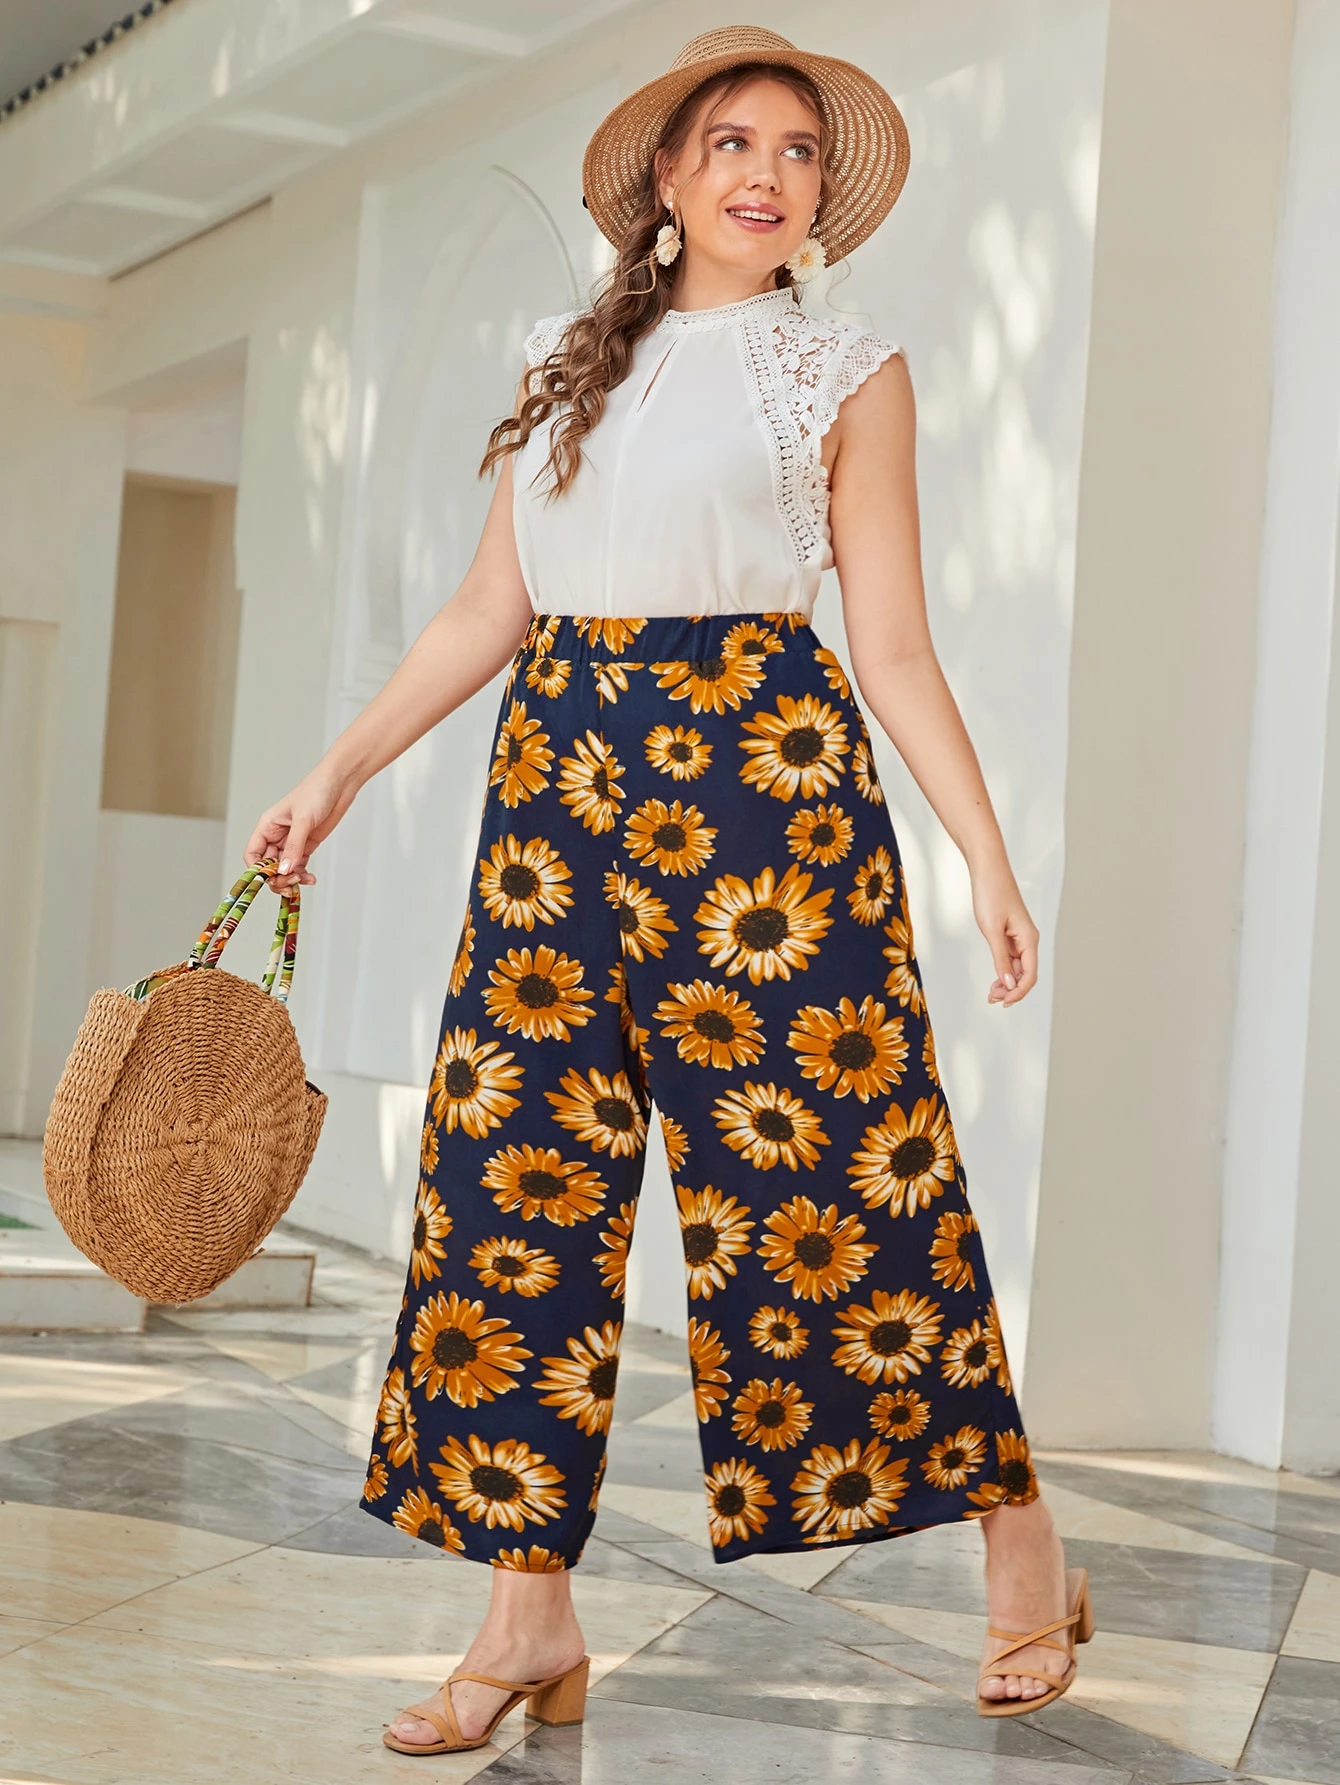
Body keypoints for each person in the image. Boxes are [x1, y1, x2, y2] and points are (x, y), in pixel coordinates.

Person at [246, 24, 1094, 1753]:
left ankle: (1021, 1539)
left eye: (796, 152)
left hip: (764, 799)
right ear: (668, 175)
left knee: (837, 1179)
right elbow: (490, 611)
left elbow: (894, 643)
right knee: (515, 1190)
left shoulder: (846, 369)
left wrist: (987, 854)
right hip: (556, 798)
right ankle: (525, 1618)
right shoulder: (562, 360)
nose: (765, 175)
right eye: (733, 143)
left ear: (818, 196)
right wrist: (334, 775)